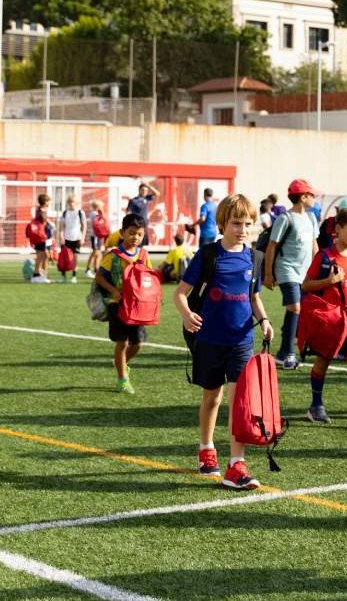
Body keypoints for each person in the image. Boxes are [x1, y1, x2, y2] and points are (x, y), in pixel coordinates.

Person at [175, 194, 274, 490]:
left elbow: (253, 296)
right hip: (209, 338)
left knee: (239, 402)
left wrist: (265, 320)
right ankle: (206, 449)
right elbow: (179, 293)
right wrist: (187, 314)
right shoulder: (208, 255)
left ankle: (236, 464)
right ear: (222, 224)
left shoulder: (254, 258)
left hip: (242, 340)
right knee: (212, 397)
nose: (242, 229)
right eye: (236, 223)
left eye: (247, 224)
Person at [301, 207, 347, 427]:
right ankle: (316, 405)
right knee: (323, 361)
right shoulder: (324, 257)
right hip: (329, 322)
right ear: (338, 229)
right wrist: (329, 282)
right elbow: (306, 285)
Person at [263, 179, 320, 370]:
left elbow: (314, 246)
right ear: (303, 197)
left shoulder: (312, 218)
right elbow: (272, 246)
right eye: (312, 195)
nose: (314, 198)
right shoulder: (284, 218)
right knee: (295, 307)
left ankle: (283, 352)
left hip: (305, 273)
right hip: (286, 269)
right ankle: (288, 353)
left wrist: (318, 269)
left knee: (299, 309)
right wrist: (269, 274)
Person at [95, 214, 151, 395]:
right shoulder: (113, 256)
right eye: (131, 233)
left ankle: (122, 363)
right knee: (122, 341)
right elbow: (99, 277)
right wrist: (114, 291)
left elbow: (148, 276)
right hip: (117, 305)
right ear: (122, 232)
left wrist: (151, 295)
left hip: (137, 306)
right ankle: (122, 379)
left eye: (139, 234)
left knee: (138, 342)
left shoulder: (143, 254)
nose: (135, 237)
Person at [59, 195, 86, 284]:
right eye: (70, 202)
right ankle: (63, 276)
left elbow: (84, 226)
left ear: (77, 203)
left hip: (77, 238)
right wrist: (61, 237)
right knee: (64, 258)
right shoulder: (65, 213)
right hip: (66, 238)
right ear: (67, 203)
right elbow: (62, 227)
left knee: (75, 257)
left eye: (73, 202)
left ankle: (74, 276)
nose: (71, 204)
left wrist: (83, 237)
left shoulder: (80, 212)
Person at [127, 182, 159, 246]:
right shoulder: (133, 200)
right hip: (136, 224)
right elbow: (128, 212)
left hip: (145, 225)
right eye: (143, 190)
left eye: (146, 190)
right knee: (137, 242)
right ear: (139, 190)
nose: (145, 192)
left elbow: (157, 193)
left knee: (144, 243)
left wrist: (148, 186)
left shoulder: (147, 198)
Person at [31, 193, 53, 284]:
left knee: (43, 255)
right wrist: (50, 223)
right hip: (41, 236)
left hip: (43, 236)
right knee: (42, 254)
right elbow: (44, 221)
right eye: (48, 201)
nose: (49, 203)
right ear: (45, 202)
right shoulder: (42, 210)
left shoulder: (40, 210)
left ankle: (42, 274)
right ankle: (37, 274)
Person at [85, 199, 107, 278]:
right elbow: (99, 223)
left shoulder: (96, 214)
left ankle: (96, 270)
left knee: (98, 253)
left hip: (98, 236)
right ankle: (88, 269)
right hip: (95, 236)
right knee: (95, 252)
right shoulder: (94, 214)